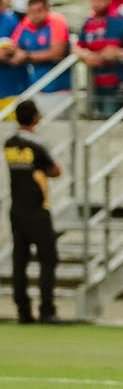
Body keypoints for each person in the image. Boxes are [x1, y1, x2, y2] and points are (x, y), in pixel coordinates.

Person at [5, 99, 61, 324]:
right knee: (48, 259)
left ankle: (23, 310)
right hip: (38, 208)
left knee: (20, 260)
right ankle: (47, 310)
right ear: (35, 117)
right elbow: (55, 169)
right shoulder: (37, 143)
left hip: (16, 208)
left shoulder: (9, 143)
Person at [74, 0, 123, 118]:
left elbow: (111, 52)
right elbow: (76, 47)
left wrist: (91, 57)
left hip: (116, 83)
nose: (96, 3)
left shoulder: (116, 20)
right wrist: (86, 55)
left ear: (108, 0)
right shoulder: (89, 22)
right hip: (95, 81)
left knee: (110, 120)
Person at [11, 0, 72, 108]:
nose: (35, 15)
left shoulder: (57, 21)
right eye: (31, 12)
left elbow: (57, 53)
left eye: (39, 11)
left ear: (47, 10)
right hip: (35, 88)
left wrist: (27, 56)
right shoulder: (25, 24)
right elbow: (14, 48)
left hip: (59, 90)